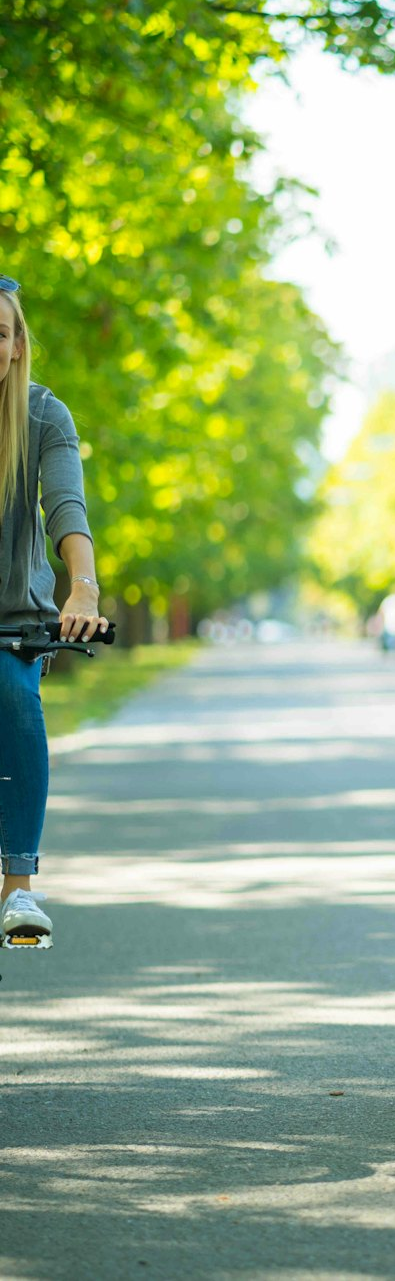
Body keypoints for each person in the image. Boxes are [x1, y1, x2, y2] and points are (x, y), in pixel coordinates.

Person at [0, 274, 109, 949]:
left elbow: (65, 505)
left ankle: (18, 887)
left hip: (12, 618)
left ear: (17, 345)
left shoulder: (43, 415)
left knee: (13, 696)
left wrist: (84, 589)